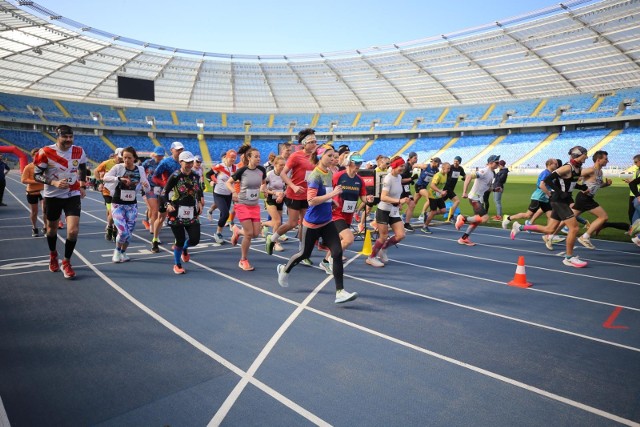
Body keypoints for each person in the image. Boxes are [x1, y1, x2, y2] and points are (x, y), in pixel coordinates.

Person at [276, 144, 359, 304]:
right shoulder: (315, 175)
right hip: (312, 223)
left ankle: (340, 292)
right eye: (330, 156)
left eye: (335, 156)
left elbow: (324, 195)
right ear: (321, 156)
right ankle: (284, 269)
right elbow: (311, 200)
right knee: (304, 254)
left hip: (327, 221)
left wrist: (331, 202)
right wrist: (333, 194)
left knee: (337, 253)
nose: (334, 158)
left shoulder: (328, 173)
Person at [510, 146, 591, 268]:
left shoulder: (578, 168)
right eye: (585, 154)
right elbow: (547, 180)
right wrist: (559, 192)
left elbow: (569, 184)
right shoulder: (566, 167)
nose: (587, 157)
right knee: (574, 228)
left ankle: (519, 227)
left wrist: (582, 187)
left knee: (549, 229)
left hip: (561, 200)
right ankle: (569, 258)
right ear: (578, 155)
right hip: (559, 201)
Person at [33, 125, 88, 279]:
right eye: (65, 137)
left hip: (72, 193)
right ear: (57, 136)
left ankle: (67, 261)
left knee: (73, 231)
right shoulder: (45, 152)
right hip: (52, 196)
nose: (69, 140)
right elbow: (36, 175)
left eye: (71, 137)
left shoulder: (79, 151)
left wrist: (82, 184)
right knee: (51, 229)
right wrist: (54, 183)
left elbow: (82, 167)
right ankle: (53, 255)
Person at [266, 128, 318, 266]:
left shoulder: (316, 157)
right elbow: (283, 173)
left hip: (308, 196)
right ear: (304, 143)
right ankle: (272, 238)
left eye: (315, 141)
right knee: (292, 223)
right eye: (311, 142)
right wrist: (293, 186)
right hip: (293, 195)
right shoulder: (296, 156)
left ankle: (303, 253)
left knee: (306, 224)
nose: (314, 144)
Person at [319, 151, 371, 274]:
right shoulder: (338, 176)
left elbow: (363, 197)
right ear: (348, 162)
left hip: (348, 214)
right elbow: (326, 190)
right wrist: (329, 202)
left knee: (337, 241)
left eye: (360, 162)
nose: (358, 165)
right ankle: (332, 259)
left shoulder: (360, 180)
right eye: (356, 162)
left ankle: (325, 262)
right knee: (349, 239)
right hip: (336, 213)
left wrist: (368, 199)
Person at [103, 146, 151, 262]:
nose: (126, 160)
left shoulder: (140, 169)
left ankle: (123, 253)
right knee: (122, 231)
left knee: (128, 233)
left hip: (132, 205)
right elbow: (105, 178)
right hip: (118, 204)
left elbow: (148, 189)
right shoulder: (118, 167)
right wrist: (119, 179)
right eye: (124, 158)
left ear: (134, 158)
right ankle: (117, 251)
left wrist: (146, 185)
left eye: (129, 158)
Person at [160, 151, 205, 274]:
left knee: (195, 240)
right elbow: (164, 193)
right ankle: (177, 264)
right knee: (179, 240)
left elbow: (199, 190)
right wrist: (167, 204)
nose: (190, 165)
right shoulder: (175, 176)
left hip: (192, 212)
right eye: (187, 162)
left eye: (191, 162)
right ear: (180, 162)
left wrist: (200, 202)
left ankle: (185, 249)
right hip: (176, 211)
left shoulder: (195, 175)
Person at [502, 158, 559, 249]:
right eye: (555, 164)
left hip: (544, 199)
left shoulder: (550, 174)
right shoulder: (546, 173)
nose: (557, 165)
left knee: (551, 217)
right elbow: (541, 185)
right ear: (550, 164)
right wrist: (549, 194)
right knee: (528, 215)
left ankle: (548, 236)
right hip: (538, 197)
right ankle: (509, 218)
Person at [227, 147, 267, 271]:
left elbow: (264, 182)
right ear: (249, 158)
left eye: (259, 156)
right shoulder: (242, 170)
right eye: (256, 156)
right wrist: (234, 192)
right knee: (249, 234)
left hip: (254, 205)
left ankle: (237, 231)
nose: (258, 158)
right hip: (242, 204)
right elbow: (228, 182)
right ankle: (243, 260)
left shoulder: (261, 170)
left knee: (255, 234)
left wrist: (264, 189)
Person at [365, 156, 408, 267]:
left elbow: (396, 193)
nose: (403, 168)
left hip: (393, 211)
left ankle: (383, 249)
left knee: (401, 235)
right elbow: (383, 197)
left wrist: (397, 203)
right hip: (383, 210)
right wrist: (399, 200)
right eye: (401, 166)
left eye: (403, 166)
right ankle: (371, 257)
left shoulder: (398, 177)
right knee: (383, 236)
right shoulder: (388, 179)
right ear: (394, 166)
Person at [455, 155, 501, 246]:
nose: (498, 164)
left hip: (479, 198)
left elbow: (487, 187)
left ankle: (464, 238)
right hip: (474, 198)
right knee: (485, 218)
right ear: (491, 163)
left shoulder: (492, 173)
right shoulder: (484, 171)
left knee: (477, 220)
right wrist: (464, 192)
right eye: (497, 162)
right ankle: (463, 218)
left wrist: (495, 190)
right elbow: (468, 177)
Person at [573, 151, 613, 250]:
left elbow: (598, 185)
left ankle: (550, 235)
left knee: (570, 217)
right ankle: (585, 237)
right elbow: (573, 176)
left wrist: (606, 184)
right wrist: (579, 183)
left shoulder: (600, 172)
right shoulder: (590, 170)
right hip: (584, 197)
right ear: (599, 160)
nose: (607, 161)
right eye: (606, 159)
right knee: (603, 217)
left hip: (586, 198)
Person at [152, 141, 184, 253]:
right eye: (178, 150)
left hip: (179, 195)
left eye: (181, 149)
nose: (180, 152)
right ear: (172, 150)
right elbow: (154, 177)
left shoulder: (183, 162)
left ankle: (177, 243)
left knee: (179, 219)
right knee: (161, 218)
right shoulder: (165, 162)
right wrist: (165, 185)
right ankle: (155, 240)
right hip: (165, 194)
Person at [206, 149, 237, 244]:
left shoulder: (235, 168)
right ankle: (218, 233)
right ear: (227, 157)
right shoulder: (219, 167)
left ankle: (219, 232)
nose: (232, 159)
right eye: (231, 157)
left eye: (234, 158)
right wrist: (211, 181)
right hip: (218, 193)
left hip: (228, 194)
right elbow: (208, 174)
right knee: (226, 214)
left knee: (222, 215)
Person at [94, 148, 123, 241]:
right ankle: (110, 228)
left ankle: (114, 229)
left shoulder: (124, 164)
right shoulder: (107, 163)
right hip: (108, 192)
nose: (121, 160)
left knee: (119, 214)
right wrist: (100, 183)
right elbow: (96, 171)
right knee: (112, 213)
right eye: (119, 158)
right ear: (115, 156)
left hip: (119, 192)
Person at [260, 155, 286, 251]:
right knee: (277, 221)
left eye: (284, 165)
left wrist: (282, 195)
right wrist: (274, 193)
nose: (283, 167)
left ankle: (262, 224)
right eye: (280, 165)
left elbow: (287, 188)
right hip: (270, 199)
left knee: (278, 223)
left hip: (280, 199)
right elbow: (263, 189)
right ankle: (275, 243)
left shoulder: (285, 174)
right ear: (275, 164)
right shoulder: (269, 174)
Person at [140, 146, 165, 235]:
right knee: (154, 209)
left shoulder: (164, 163)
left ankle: (153, 222)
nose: (160, 157)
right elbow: (139, 171)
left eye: (161, 155)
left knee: (159, 209)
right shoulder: (148, 162)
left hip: (160, 189)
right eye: (158, 155)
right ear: (154, 155)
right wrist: (142, 181)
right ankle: (154, 229)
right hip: (150, 188)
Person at [21, 148, 45, 236]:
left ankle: (45, 226)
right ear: (32, 157)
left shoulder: (45, 166)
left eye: (39, 154)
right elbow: (23, 180)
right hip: (32, 192)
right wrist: (36, 181)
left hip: (43, 191)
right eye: (35, 155)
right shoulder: (28, 167)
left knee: (45, 210)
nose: (37, 156)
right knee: (34, 212)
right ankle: (34, 227)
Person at [421, 162, 451, 233]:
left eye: (450, 168)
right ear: (443, 168)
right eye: (448, 168)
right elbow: (432, 185)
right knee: (433, 211)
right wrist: (440, 191)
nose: (449, 170)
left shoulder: (445, 175)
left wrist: (442, 192)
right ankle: (425, 226)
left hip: (438, 196)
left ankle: (428, 214)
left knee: (443, 210)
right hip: (433, 196)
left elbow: (440, 186)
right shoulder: (438, 175)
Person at [443, 156, 466, 223]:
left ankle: (428, 213)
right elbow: (444, 173)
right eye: (455, 160)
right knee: (457, 201)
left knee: (439, 202)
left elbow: (464, 176)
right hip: (446, 187)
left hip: (451, 189)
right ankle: (451, 217)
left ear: (460, 162)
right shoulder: (451, 167)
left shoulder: (460, 169)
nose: (455, 162)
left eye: (457, 161)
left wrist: (465, 178)